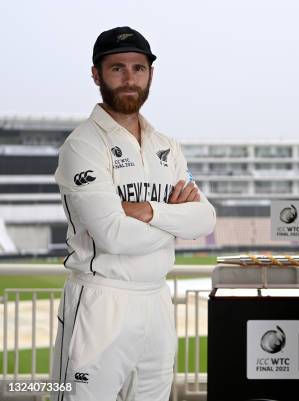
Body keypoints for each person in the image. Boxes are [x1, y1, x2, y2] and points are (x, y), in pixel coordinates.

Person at [51, 26, 216, 401]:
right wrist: (175, 220)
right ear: (96, 74)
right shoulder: (82, 146)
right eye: (117, 68)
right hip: (100, 301)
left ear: (150, 74)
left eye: (138, 68)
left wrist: (147, 211)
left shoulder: (168, 147)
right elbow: (113, 235)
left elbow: (205, 219)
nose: (129, 78)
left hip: (157, 299)